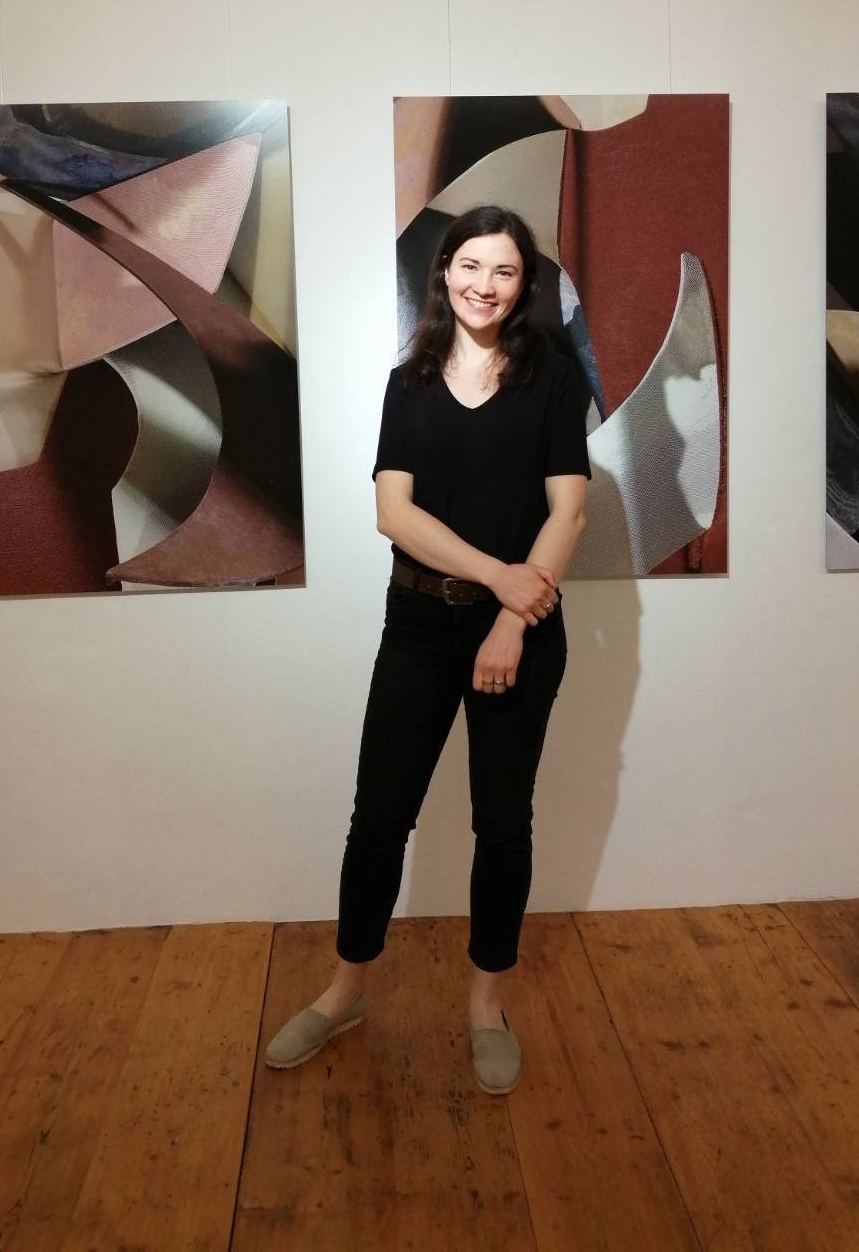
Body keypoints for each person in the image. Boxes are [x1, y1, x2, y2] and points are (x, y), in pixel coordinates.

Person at [264, 204, 590, 1095]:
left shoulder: (552, 379)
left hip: (521, 633)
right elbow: (393, 515)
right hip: (417, 622)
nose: (486, 285)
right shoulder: (407, 383)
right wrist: (500, 577)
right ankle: (345, 993)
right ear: (444, 272)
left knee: (503, 824)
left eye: (505, 271)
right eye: (471, 266)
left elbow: (568, 512)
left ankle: (486, 1008)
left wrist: (512, 619)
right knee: (378, 818)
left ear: (523, 285)